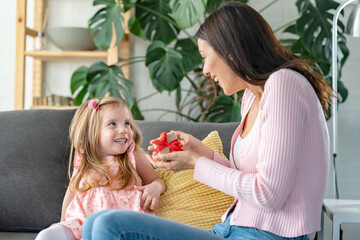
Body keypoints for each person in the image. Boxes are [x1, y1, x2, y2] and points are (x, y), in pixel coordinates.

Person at [82, 2, 332, 240]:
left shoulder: (284, 84)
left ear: (230, 52)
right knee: (97, 220)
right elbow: (246, 179)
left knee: (108, 224)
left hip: (265, 234)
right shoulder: (251, 96)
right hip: (229, 229)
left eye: (204, 56)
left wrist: (196, 162)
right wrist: (201, 153)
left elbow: (268, 195)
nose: (203, 70)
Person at [35, 97, 166, 240]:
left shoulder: (132, 156)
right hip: (81, 223)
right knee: (47, 235)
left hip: (121, 225)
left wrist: (155, 187)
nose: (123, 130)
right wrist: (63, 223)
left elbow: (156, 179)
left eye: (127, 123)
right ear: (93, 132)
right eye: (112, 124)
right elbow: (72, 192)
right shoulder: (84, 160)